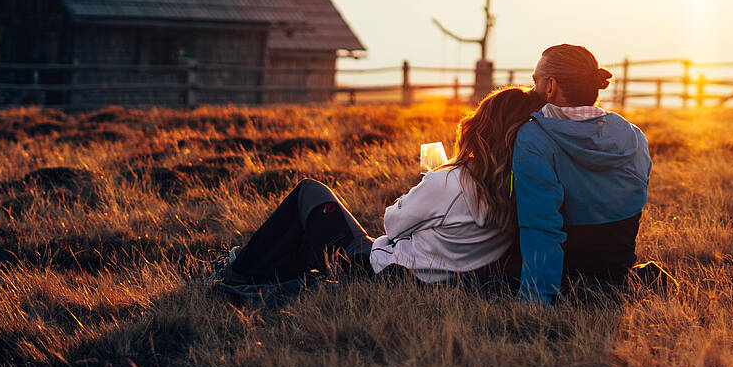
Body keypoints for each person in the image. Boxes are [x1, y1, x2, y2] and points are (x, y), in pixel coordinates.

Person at [218, 85, 546, 295]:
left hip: (381, 271)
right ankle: (252, 269)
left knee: (310, 192)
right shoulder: (521, 189)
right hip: (437, 278)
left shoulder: (451, 181)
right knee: (308, 240)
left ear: (481, 127)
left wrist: (422, 186)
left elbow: (392, 224)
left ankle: (240, 270)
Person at [512, 43, 652, 305]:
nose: (533, 89)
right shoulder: (633, 136)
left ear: (551, 87)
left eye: (536, 81)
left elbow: (541, 224)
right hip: (616, 267)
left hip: (567, 271)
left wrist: (535, 300)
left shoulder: (534, 138)